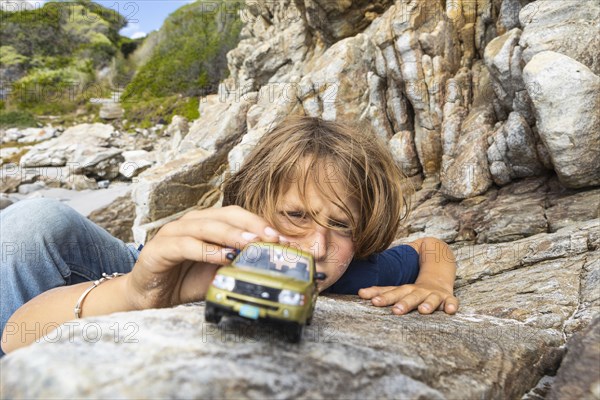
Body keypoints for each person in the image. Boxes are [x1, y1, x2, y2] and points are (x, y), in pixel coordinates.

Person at [0, 116, 458, 355]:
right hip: (140, 268)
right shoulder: (203, 256)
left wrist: (434, 283)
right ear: (246, 211)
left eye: (342, 226)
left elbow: (429, 246)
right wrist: (139, 293)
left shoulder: (353, 270)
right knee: (34, 222)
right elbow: (16, 334)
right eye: (295, 215)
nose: (317, 249)